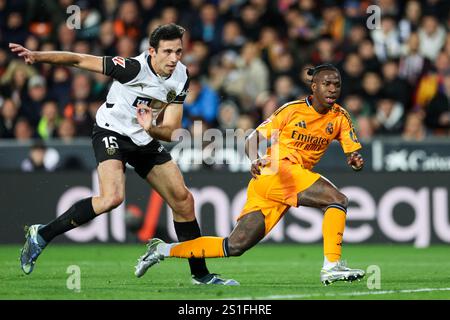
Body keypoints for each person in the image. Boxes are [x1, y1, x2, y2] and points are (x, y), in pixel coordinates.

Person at [10, 23, 238, 285]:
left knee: (184, 201)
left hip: (144, 138)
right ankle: (41, 235)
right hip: (111, 132)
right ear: (151, 51)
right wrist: (37, 56)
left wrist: (151, 127)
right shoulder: (131, 68)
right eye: (167, 52)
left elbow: (173, 130)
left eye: (178, 51)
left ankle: (200, 275)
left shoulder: (182, 76)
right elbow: (78, 59)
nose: (174, 58)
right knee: (112, 198)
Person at [135, 64, 366, 285]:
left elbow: (352, 151)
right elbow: (252, 139)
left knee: (235, 246)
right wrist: (255, 159)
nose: (333, 89)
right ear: (313, 86)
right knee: (337, 200)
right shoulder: (291, 110)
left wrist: (354, 160)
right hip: (276, 170)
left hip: (285, 180)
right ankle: (332, 266)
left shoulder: (340, 117)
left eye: (337, 84)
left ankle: (162, 250)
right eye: (327, 84)